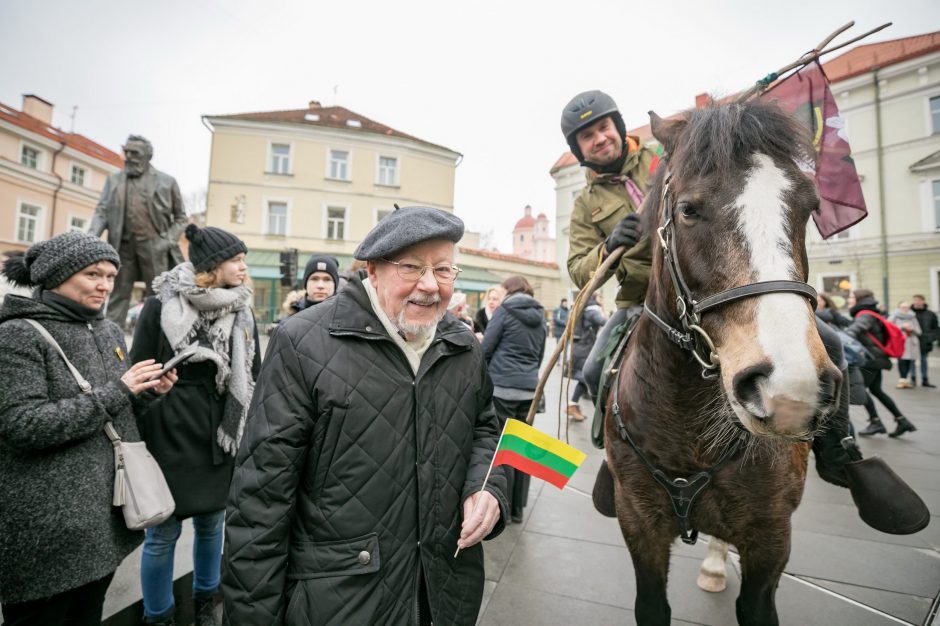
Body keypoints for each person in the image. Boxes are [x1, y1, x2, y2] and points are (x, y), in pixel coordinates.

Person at [223, 206, 509, 625]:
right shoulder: (302, 343)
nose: (430, 286)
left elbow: (487, 430)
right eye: (411, 267)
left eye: (444, 270)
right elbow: (260, 499)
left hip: (444, 591)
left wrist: (490, 489)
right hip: (341, 600)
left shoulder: (463, 345)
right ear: (372, 271)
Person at [0, 232, 176, 626]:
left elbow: (113, 410)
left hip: (101, 523)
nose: (105, 285)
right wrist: (119, 390)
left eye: (111, 275)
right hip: (45, 533)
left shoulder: (108, 331)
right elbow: (22, 426)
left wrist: (146, 393)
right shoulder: (16, 335)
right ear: (57, 275)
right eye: (92, 274)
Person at [130, 225, 260, 626]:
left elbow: (252, 372)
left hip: (218, 429)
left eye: (243, 260)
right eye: (236, 260)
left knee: (211, 523)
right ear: (211, 266)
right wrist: (155, 396)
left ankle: (206, 603)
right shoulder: (160, 305)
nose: (243, 268)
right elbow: (137, 365)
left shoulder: (242, 308)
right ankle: (159, 615)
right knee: (162, 532)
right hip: (167, 427)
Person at [561, 90, 658, 396]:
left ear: (618, 126)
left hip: (704, 283)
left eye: (604, 128)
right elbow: (578, 269)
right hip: (640, 299)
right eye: (587, 136)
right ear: (579, 151)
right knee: (591, 374)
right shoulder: (584, 204)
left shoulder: (662, 158)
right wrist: (608, 248)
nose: (600, 139)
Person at [90, 135, 188, 326]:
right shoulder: (114, 180)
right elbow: (102, 212)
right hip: (122, 246)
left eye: (134, 153)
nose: (128, 157)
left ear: (147, 156)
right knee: (119, 294)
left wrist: (166, 241)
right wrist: (90, 240)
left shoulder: (167, 181)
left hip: (155, 245)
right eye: (126, 152)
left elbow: (181, 218)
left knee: (159, 295)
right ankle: (109, 340)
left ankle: (160, 341)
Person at [482, 276, 546, 523]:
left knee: (504, 449)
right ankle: (518, 509)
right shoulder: (541, 316)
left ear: (509, 290)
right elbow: (540, 356)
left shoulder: (504, 310)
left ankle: (504, 509)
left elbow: (486, 347)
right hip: (529, 391)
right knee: (522, 449)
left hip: (503, 388)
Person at [846, 289, 917, 438]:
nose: (849, 299)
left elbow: (854, 331)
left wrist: (842, 339)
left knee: (859, 390)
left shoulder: (864, 314)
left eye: (851, 297)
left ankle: (876, 422)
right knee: (877, 391)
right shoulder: (870, 313)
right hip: (876, 359)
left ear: (859, 299)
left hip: (870, 360)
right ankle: (902, 421)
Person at [566, 293, 607, 422]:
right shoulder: (592, 310)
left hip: (581, 348)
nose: (602, 300)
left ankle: (573, 405)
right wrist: (607, 317)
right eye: (600, 298)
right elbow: (602, 322)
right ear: (594, 299)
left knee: (584, 379)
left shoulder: (584, 308)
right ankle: (572, 405)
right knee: (586, 378)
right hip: (584, 349)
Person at [888, 301, 922, 389]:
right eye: (903, 307)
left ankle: (905, 380)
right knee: (902, 361)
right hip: (901, 343)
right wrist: (902, 327)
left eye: (907, 307)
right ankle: (902, 380)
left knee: (910, 361)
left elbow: (919, 331)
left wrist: (912, 328)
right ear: (899, 308)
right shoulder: (894, 316)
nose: (905, 309)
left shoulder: (912, 317)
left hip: (912, 343)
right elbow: (889, 328)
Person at [910, 294, 937, 388]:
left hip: (925, 341)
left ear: (923, 301)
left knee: (924, 360)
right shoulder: (909, 313)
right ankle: (912, 379)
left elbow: (936, 328)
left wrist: (931, 338)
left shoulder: (930, 314)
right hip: (912, 341)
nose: (916, 302)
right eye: (914, 300)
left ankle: (925, 379)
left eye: (918, 300)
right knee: (912, 361)